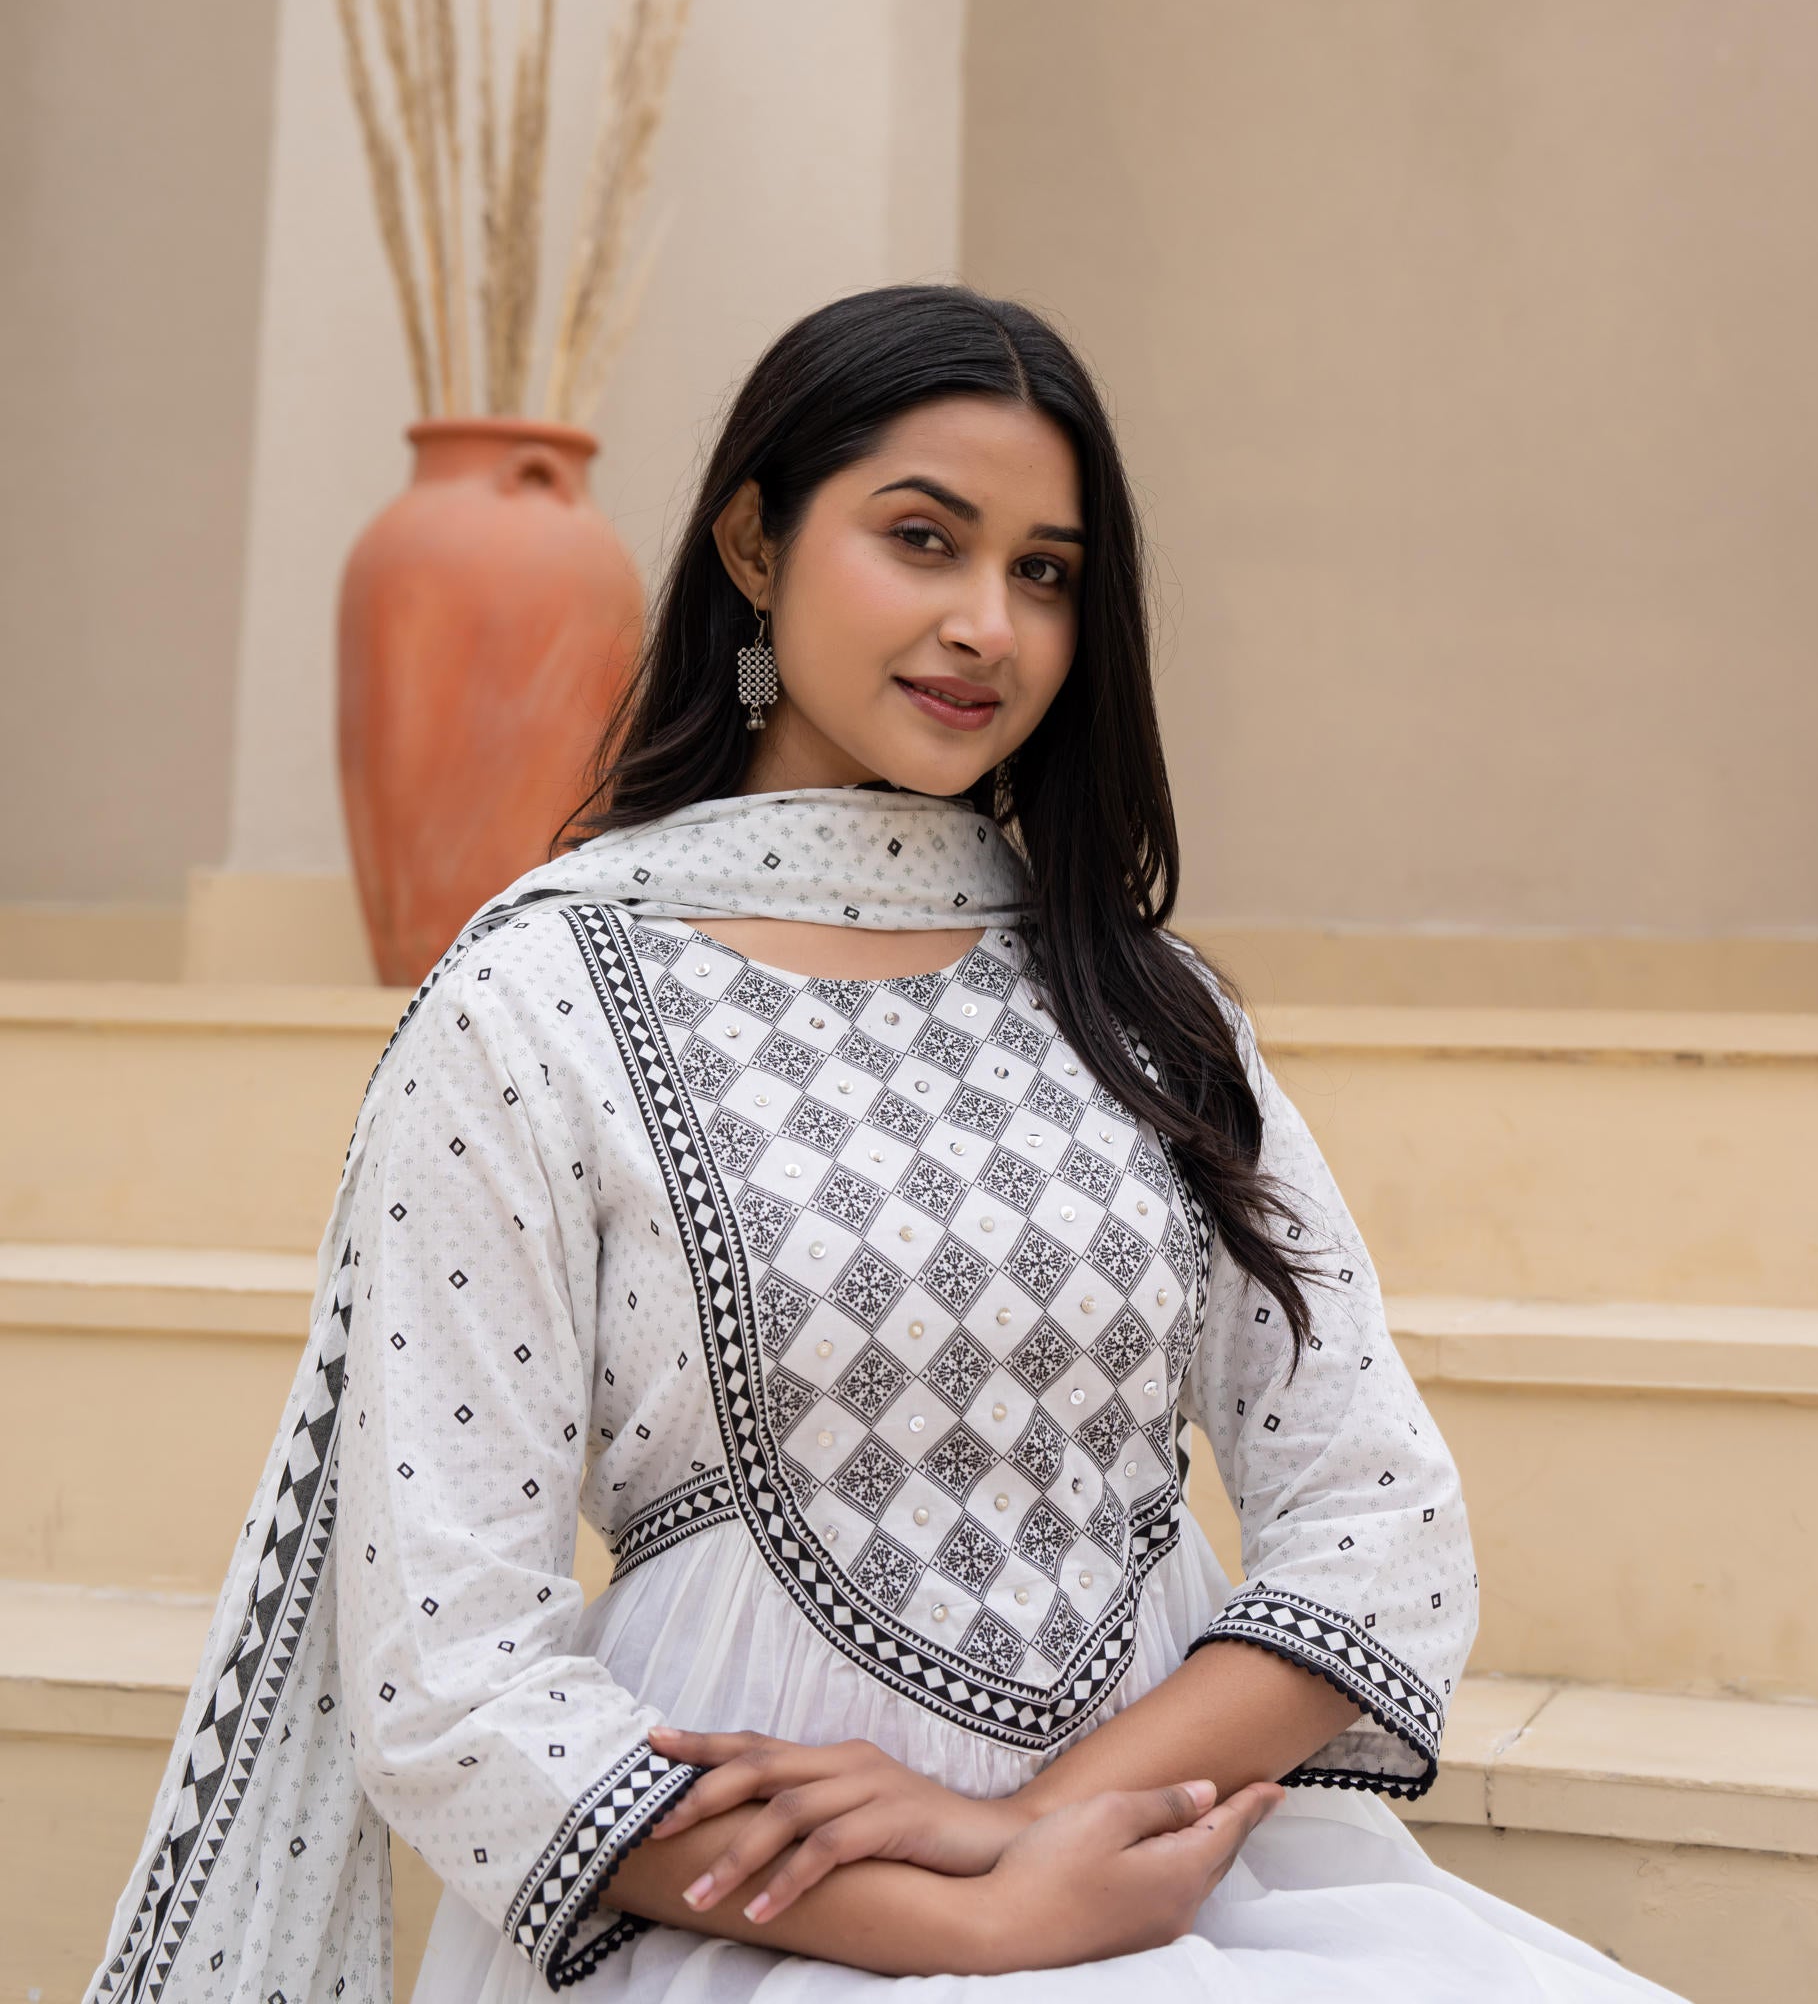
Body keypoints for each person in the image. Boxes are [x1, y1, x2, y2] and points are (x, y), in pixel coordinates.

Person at [93, 286, 1683, 2004]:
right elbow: (452, 1676)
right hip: (753, 1915)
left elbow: (1375, 1522)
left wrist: (1028, 1838)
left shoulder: (1145, 1006)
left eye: (1047, 573)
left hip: (1180, 1875)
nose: (985, 625)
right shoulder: (536, 1006)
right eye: (922, 540)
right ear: (757, 547)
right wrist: (964, 1920)